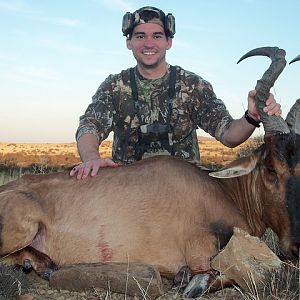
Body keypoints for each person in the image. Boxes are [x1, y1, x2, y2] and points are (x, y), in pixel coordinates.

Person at [70, 6, 281, 180]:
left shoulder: (193, 85)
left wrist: (251, 117)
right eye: (140, 36)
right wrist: (91, 158)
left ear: (168, 42)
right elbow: (90, 126)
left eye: (157, 36)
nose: (149, 43)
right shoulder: (114, 86)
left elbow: (229, 135)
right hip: (128, 194)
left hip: (184, 193)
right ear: (129, 42)